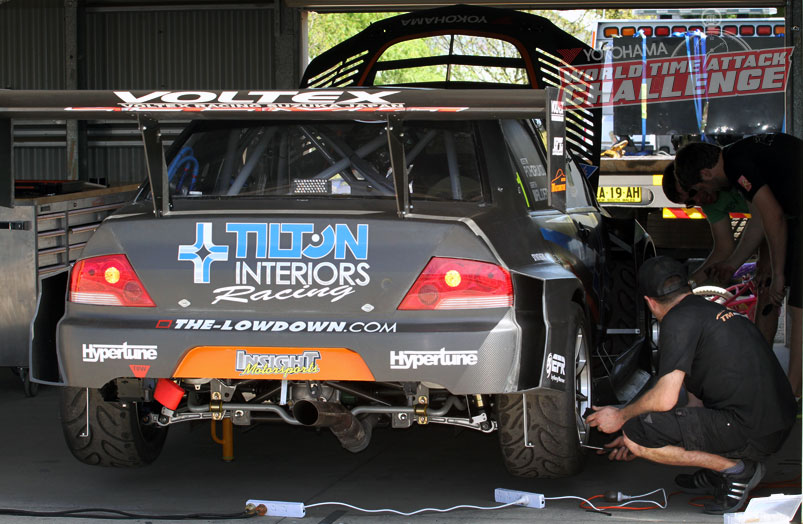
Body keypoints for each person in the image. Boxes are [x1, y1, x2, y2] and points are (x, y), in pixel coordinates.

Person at [587, 257, 796, 515]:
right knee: (641, 431)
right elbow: (694, 404)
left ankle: (736, 470)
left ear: (649, 302)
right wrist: (645, 433)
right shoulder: (708, 311)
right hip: (776, 424)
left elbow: (665, 398)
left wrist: (623, 419)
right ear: (687, 287)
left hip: (752, 430)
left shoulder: (677, 321)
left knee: (636, 433)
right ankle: (717, 468)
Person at [675, 134, 802, 397]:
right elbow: (760, 222)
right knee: (798, 308)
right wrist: (732, 265)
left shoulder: (736, 166)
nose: (701, 199)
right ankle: (792, 390)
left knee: (799, 309)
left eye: (697, 189)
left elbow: (774, 217)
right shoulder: (739, 156)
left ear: (706, 173)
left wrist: (778, 273)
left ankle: (792, 393)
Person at [661, 163, 778, 345]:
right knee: (765, 286)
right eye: (691, 202)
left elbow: (761, 220)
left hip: (781, 213)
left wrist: (732, 265)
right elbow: (724, 248)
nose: (699, 199)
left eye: (694, 191)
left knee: (769, 279)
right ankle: (763, 353)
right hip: (768, 220)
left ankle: (768, 357)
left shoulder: (736, 175)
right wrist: (689, 285)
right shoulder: (707, 200)